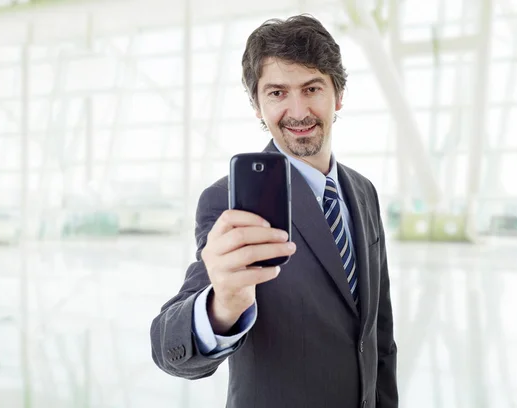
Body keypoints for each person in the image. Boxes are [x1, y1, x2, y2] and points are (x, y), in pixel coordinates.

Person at [150, 14, 398, 408]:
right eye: (277, 93)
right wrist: (221, 305)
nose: (297, 112)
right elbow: (169, 348)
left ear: (339, 95)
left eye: (312, 88)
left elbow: (378, 335)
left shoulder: (363, 192)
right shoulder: (227, 201)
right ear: (257, 105)